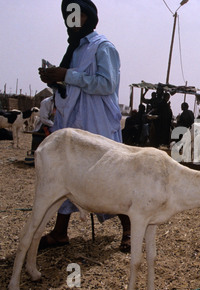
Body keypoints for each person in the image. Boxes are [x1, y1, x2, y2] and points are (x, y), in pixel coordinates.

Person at [37, 0, 131, 252]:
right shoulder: (75, 50)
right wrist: (55, 80)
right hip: (73, 121)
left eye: (74, 15)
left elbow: (106, 84)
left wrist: (66, 75)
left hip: (97, 123)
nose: (69, 21)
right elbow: (74, 87)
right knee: (66, 173)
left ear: (86, 17)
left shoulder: (103, 47)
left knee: (109, 176)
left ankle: (129, 230)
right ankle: (59, 233)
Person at [25, 95, 56, 165]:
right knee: (39, 139)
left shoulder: (65, 102)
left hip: (55, 125)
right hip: (45, 126)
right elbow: (44, 119)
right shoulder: (46, 102)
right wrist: (55, 126)